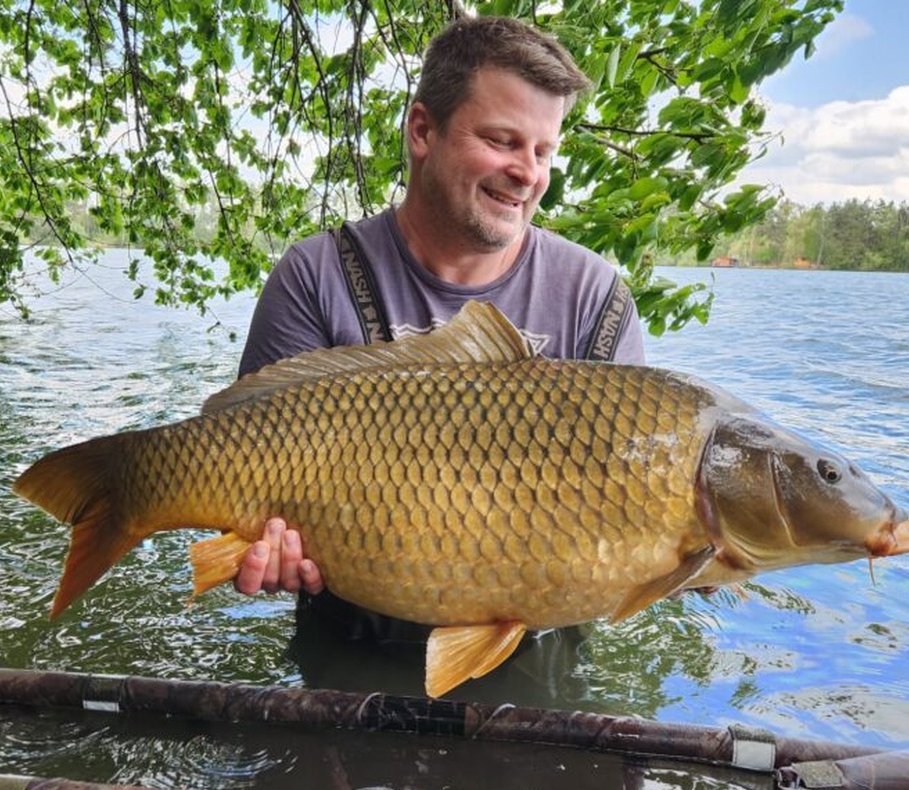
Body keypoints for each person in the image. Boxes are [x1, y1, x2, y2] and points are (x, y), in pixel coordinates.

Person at [231, 15, 646, 644]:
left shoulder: (595, 298)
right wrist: (260, 546)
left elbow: (634, 502)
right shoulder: (316, 275)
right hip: (350, 645)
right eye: (504, 141)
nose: (529, 172)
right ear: (423, 131)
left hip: (538, 650)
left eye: (543, 152)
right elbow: (246, 460)